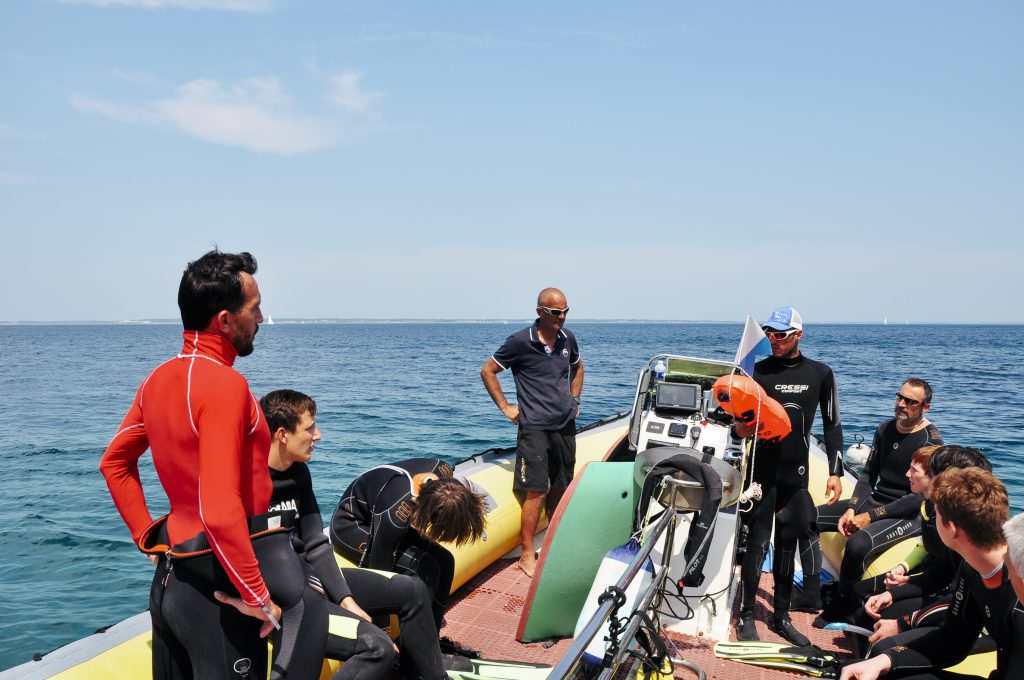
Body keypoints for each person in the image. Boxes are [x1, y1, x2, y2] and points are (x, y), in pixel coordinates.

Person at [99, 250, 282, 678]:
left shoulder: (156, 381)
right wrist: (257, 597)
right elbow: (219, 511)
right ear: (224, 320)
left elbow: (114, 464)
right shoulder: (225, 386)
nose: (260, 320)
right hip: (219, 591)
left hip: (171, 583)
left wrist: (147, 536)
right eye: (254, 310)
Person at [261, 390, 446, 680]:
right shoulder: (247, 479)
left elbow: (315, 543)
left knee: (413, 591)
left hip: (310, 578)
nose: (317, 435)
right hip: (280, 598)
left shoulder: (299, 474)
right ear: (283, 434)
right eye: (310, 428)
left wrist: (345, 598)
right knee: (377, 648)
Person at [839, 467, 1022, 680]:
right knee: (882, 671)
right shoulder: (974, 568)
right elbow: (953, 639)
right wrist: (885, 661)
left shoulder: (1018, 586)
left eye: (936, 513)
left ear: (951, 529)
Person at [736, 306, 844, 646]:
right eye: (770, 333)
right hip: (760, 472)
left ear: (798, 335)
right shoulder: (757, 371)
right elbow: (737, 419)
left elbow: (832, 425)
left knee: (787, 544)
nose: (773, 339)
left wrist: (835, 472)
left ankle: (782, 616)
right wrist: (739, 427)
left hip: (795, 476)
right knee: (755, 546)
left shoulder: (820, 374)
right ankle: (747, 614)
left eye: (781, 334)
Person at [816, 379, 943, 619]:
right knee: (808, 518)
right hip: (876, 500)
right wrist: (853, 509)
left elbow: (917, 498)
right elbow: (868, 474)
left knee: (857, 545)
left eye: (910, 402)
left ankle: (845, 602)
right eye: (899, 397)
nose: (901, 404)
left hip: (907, 513)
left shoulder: (931, 441)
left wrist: (870, 516)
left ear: (925, 407)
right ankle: (812, 589)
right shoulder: (885, 428)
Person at [480, 287, 584, 577]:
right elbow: (488, 370)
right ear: (540, 311)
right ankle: (527, 554)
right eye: (555, 312)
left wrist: (575, 401)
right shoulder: (519, 342)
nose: (561, 317)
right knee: (536, 491)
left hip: (565, 426)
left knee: (562, 487)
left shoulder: (568, 339)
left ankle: (554, 542)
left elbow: (577, 367)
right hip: (535, 428)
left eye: (565, 311)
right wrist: (505, 407)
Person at [848, 447, 991, 652]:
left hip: (967, 619)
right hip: (945, 595)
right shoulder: (946, 523)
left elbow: (956, 600)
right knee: (865, 606)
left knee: (880, 628)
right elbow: (939, 572)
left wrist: (903, 623)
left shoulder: (977, 547)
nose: (908, 474)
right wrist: (894, 592)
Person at [330, 457, 486, 630]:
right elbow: (379, 574)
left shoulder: (443, 470)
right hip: (351, 525)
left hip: (382, 514)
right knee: (426, 567)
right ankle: (415, 644)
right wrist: (383, 630)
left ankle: (431, 635)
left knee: (446, 561)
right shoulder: (397, 512)